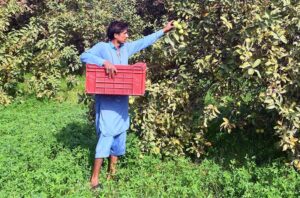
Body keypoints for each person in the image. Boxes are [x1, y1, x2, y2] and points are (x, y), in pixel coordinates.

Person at [80, 20, 174, 189]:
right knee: (106, 135)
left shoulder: (126, 48)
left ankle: (111, 176)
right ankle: (94, 180)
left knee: (119, 135)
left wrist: (163, 31)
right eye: (124, 33)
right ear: (115, 35)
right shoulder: (103, 47)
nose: (127, 35)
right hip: (107, 101)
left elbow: (144, 41)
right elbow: (84, 56)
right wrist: (104, 62)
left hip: (121, 100)